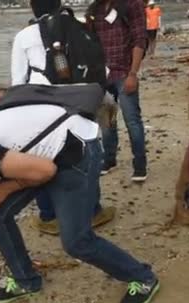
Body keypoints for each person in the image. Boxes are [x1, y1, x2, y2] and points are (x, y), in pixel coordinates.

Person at [0, 90, 160, 303]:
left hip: (76, 151)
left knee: (76, 242)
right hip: (45, 158)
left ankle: (143, 277)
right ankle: (25, 280)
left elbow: (47, 172)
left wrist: (5, 188)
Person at [11, 0, 117, 235]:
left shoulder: (25, 36)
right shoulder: (80, 27)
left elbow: (18, 82)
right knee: (86, 157)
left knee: (42, 158)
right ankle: (93, 212)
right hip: (81, 104)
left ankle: (49, 216)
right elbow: (103, 70)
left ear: (33, 8)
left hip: (43, 107)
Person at [86, 0, 148, 181]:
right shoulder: (95, 9)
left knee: (132, 121)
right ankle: (109, 159)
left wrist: (133, 74)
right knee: (106, 122)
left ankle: (140, 166)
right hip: (102, 77)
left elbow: (139, 40)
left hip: (124, 73)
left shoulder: (132, 4)